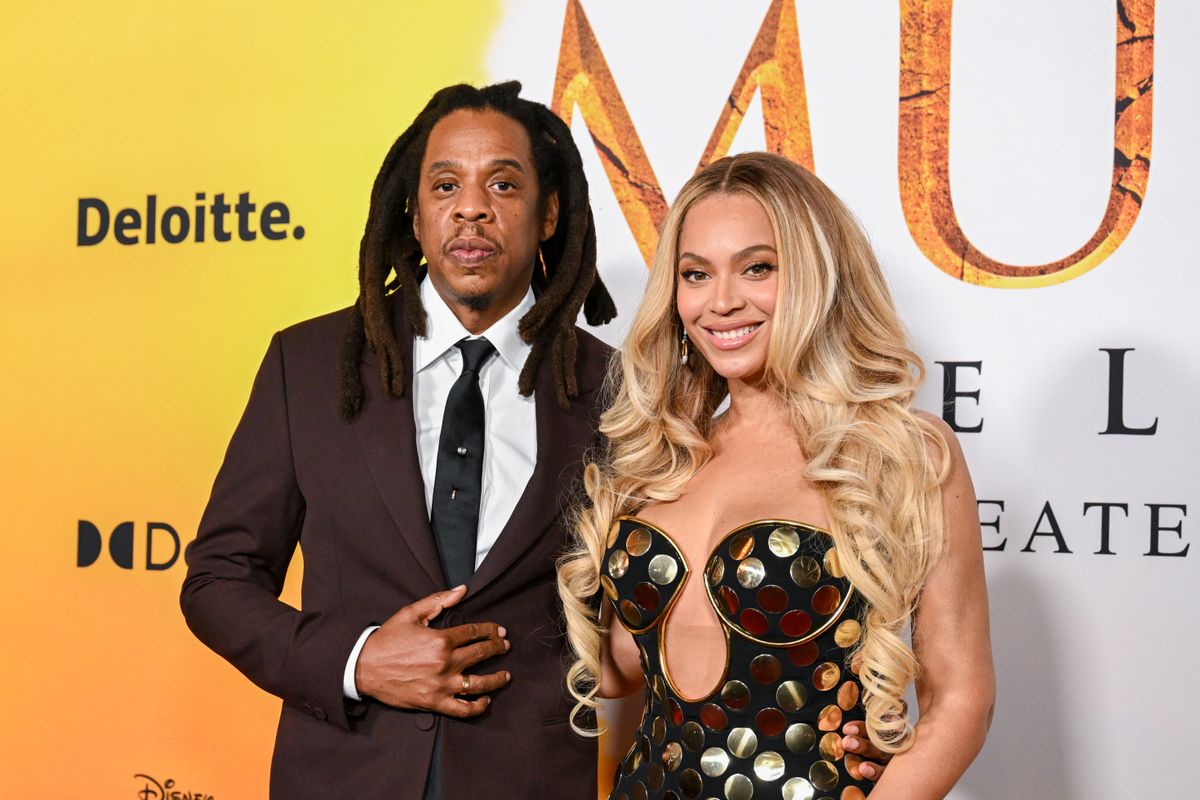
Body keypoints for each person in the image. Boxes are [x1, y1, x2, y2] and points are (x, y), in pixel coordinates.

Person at [180, 81, 618, 799]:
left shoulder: (615, 391)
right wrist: (356, 662)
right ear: (414, 216)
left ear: (549, 217)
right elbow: (218, 579)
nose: (471, 206)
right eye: (445, 184)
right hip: (341, 775)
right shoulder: (311, 366)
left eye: (503, 184)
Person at [558, 152, 995, 799]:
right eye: (696, 274)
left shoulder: (901, 453)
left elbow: (961, 697)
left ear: (815, 274)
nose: (722, 302)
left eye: (757, 268)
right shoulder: (661, 453)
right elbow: (626, 668)